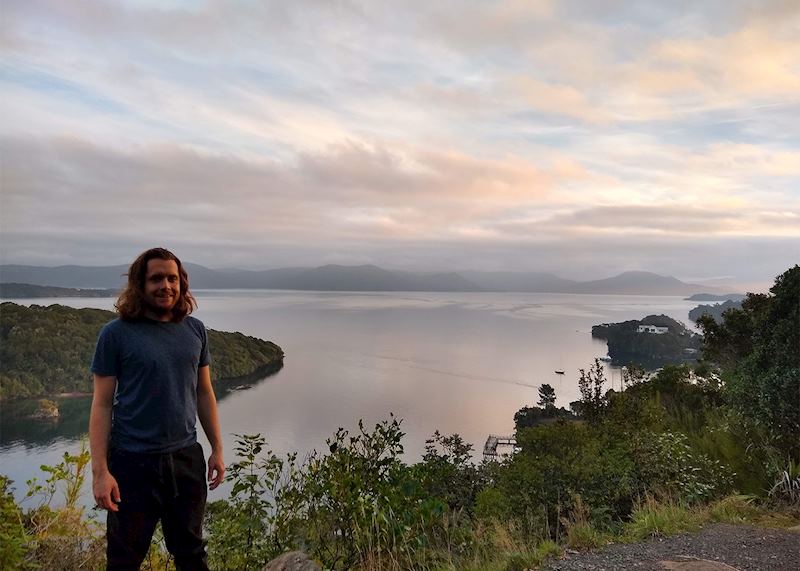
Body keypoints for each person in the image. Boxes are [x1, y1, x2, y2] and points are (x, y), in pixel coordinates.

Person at [89, 247, 224, 571]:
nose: (166, 285)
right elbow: (102, 404)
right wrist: (100, 471)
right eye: (157, 279)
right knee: (124, 560)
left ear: (182, 283)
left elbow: (204, 392)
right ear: (140, 284)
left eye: (172, 278)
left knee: (191, 554)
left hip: (185, 460)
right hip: (132, 464)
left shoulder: (195, 330)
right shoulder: (115, 334)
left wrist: (217, 448)